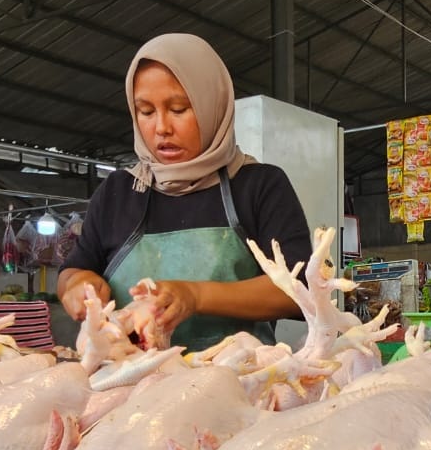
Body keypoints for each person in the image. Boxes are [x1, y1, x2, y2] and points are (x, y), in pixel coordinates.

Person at [58, 33, 312, 351]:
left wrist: (196, 296)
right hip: (126, 384)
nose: (161, 127)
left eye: (178, 109)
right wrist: (78, 285)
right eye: (146, 111)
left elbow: (299, 288)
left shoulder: (258, 186)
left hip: (235, 384)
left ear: (211, 105)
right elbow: (74, 269)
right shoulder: (118, 192)